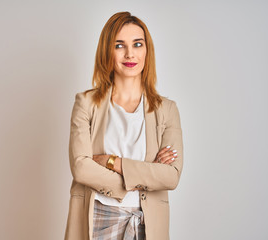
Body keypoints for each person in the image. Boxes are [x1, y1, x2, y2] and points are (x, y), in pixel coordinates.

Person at [64, 11, 183, 240]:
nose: (130, 53)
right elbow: (81, 168)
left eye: (137, 44)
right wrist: (145, 175)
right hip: (96, 218)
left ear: (147, 50)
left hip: (146, 224)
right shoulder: (86, 103)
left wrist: (114, 163)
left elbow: (171, 176)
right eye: (119, 45)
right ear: (107, 50)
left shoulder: (167, 109)